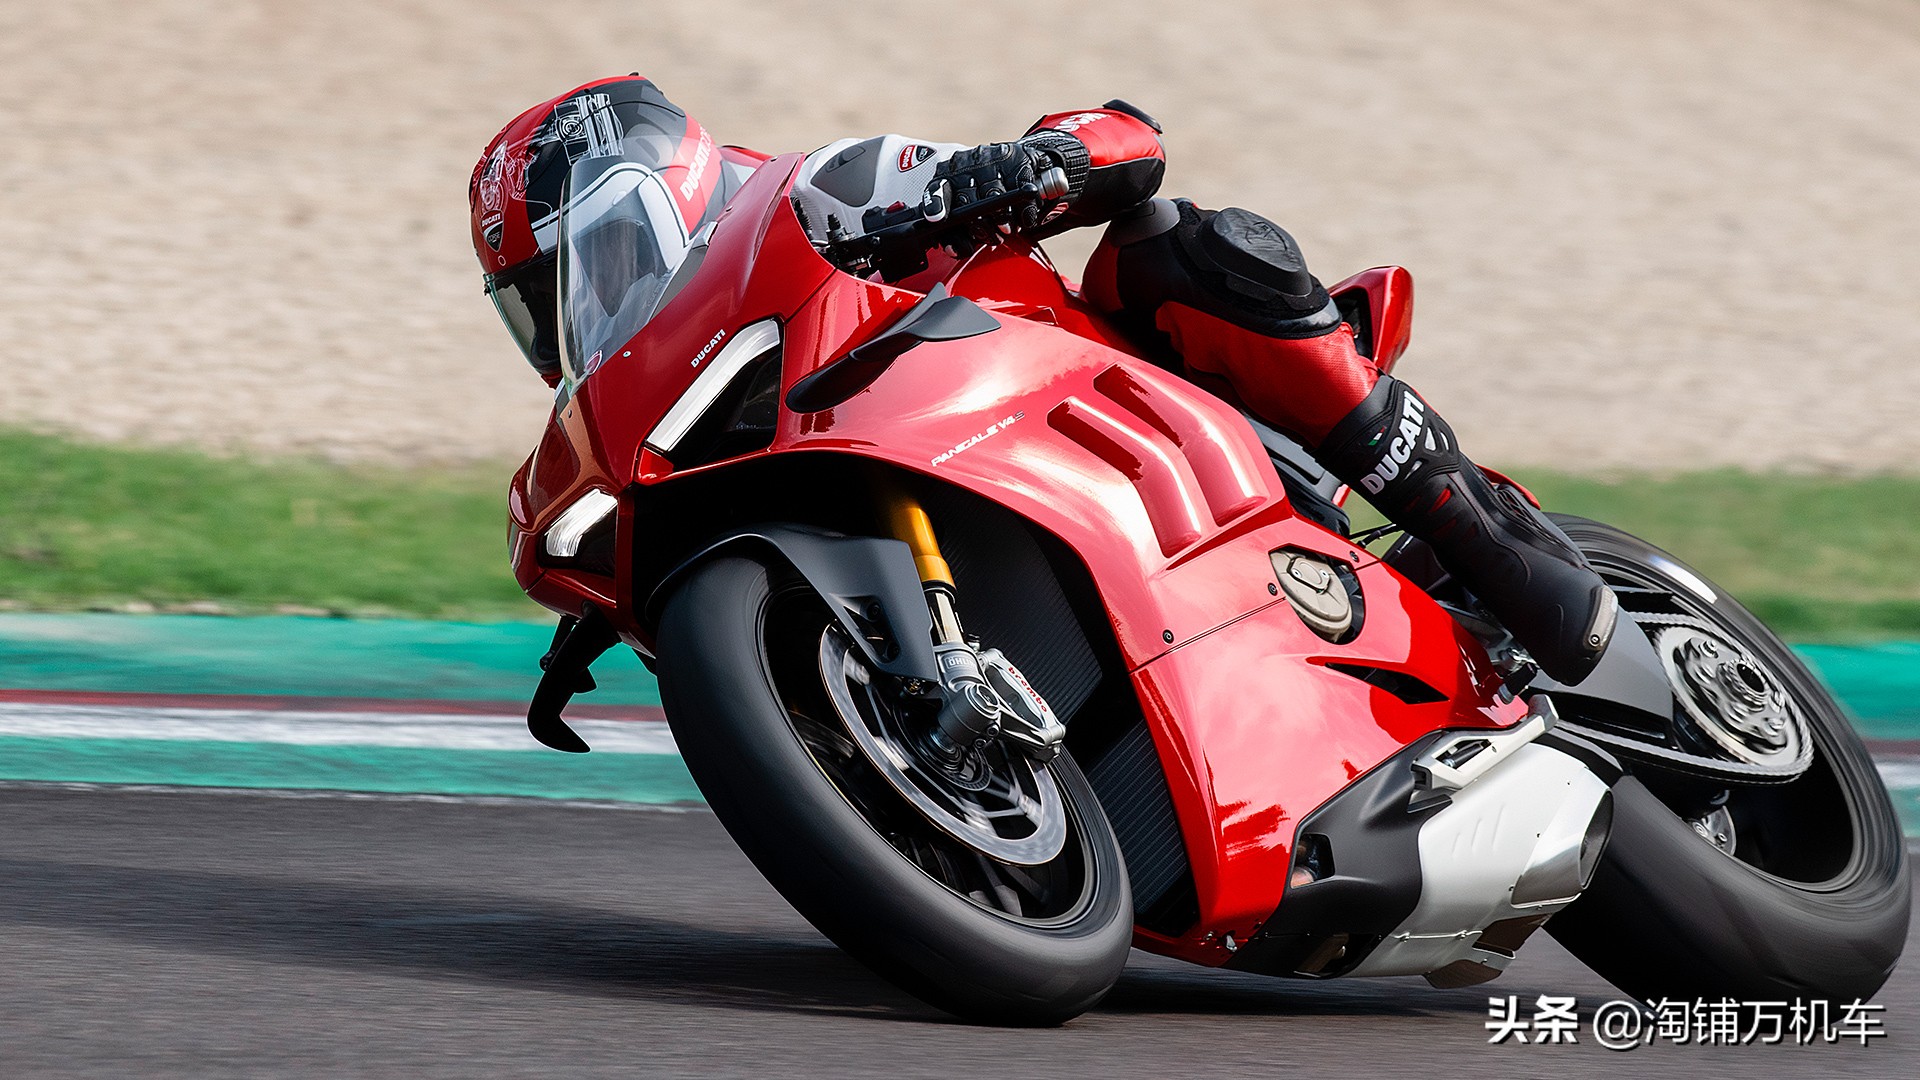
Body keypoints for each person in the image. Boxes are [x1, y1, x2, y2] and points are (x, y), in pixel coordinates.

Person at [469, 77, 1616, 685]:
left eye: (590, 262)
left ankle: (1468, 530)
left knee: (1175, 243)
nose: (578, 310)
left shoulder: (822, 192)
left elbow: (1124, 138)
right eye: (543, 302)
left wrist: (1042, 162)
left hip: (1114, 407)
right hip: (967, 509)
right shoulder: (665, 386)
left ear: (662, 188)